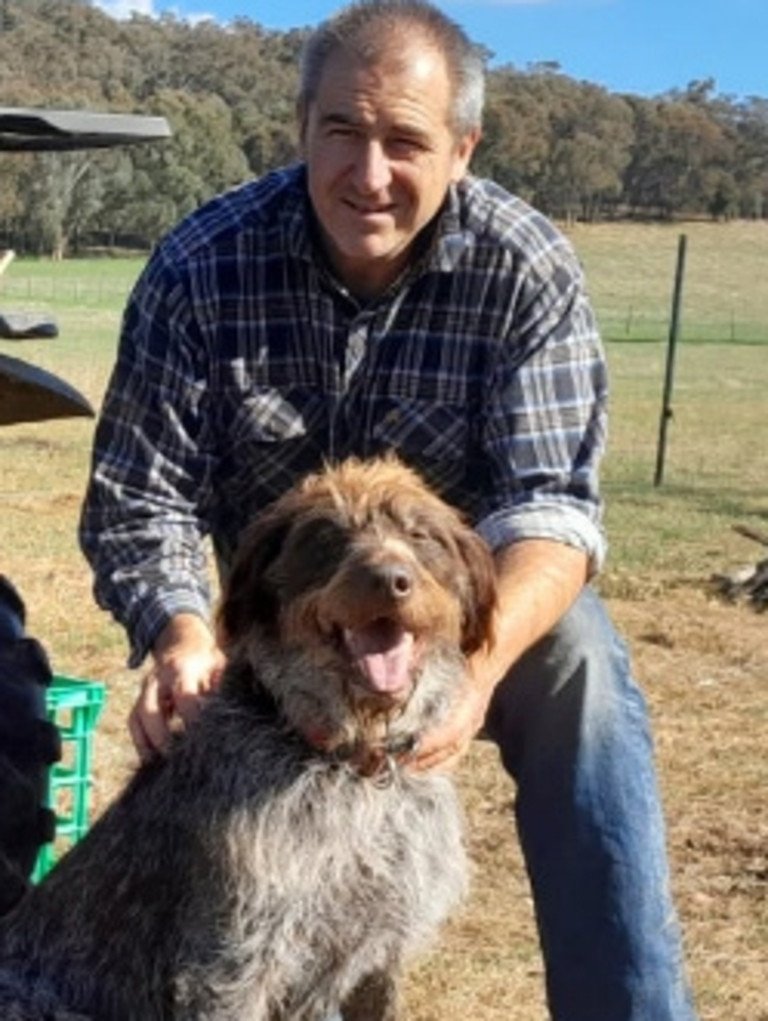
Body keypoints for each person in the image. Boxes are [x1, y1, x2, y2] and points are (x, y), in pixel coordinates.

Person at [79, 2, 698, 1017]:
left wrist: (482, 671)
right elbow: (141, 494)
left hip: (455, 601)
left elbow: (550, 505)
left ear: (463, 147)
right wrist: (181, 632)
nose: (369, 175)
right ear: (301, 127)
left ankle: (629, 1004)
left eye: (406, 141)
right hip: (280, 605)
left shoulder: (522, 266)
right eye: (343, 133)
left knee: (580, 669)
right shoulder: (202, 264)